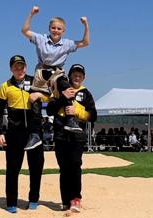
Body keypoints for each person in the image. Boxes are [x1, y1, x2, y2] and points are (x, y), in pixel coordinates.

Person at [21, 5, 90, 150]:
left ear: (63, 31)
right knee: (33, 99)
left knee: (67, 88)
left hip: (57, 73)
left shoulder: (67, 44)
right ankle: (35, 134)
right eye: (53, 28)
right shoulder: (41, 39)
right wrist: (31, 14)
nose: (56, 31)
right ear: (49, 28)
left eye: (59, 29)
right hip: (42, 71)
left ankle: (71, 120)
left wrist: (86, 25)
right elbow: (25, 31)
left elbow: (85, 43)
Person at [0, 55, 45, 214]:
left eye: (21, 66)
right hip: (14, 133)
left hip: (34, 132)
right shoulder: (5, 86)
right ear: (11, 69)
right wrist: (0, 132)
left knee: (36, 168)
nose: (19, 69)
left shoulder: (36, 82)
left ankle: (34, 199)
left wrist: (39, 95)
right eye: (16, 67)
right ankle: (11, 202)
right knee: (13, 169)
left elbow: (52, 94)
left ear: (26, 67)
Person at [46, 64, 97, 213]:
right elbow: (49, 110)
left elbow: (93, 115)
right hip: (61, 134)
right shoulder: (58, 90)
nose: (77, 76)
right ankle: (65, 200)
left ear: (84, 77)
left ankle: (76, 198)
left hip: (77, 135)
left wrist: (78, 111)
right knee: (64, 168)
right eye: (74, 74)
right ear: (69, 76)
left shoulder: (86, 93)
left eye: (80, 74)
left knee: (75, 165)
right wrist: (63, 98)